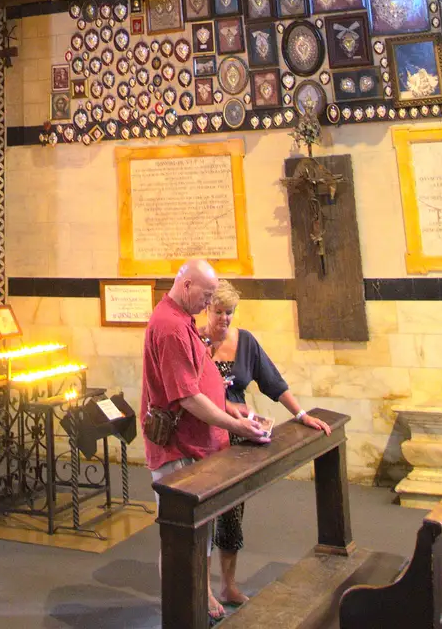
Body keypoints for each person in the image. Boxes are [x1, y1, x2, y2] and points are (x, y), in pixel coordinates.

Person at [141, 258, 270, 625]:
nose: (209, 304)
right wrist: (236, 425)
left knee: (201, 532)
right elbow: (186, 398)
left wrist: (233, 409)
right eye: (207, 296)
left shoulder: (182, 321)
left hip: (197, 447)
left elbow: (201, 383)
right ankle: (184, 610)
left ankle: (199, 594)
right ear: (186, 287)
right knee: (181, 536)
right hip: (177, 448)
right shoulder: (169, 326)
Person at [201, 281, 332, 607]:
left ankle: (228, 586)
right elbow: (191, 391)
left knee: (232, 512)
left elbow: (273, 382)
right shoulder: (194, 340)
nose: (224, 320)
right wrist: (227, 407)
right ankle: (200, 591)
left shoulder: (245, 342)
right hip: (203, 437)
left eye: (229, 313)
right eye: (218, 312)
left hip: (238, 438)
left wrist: (301, 413)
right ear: (206, 309)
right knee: (201, 517)